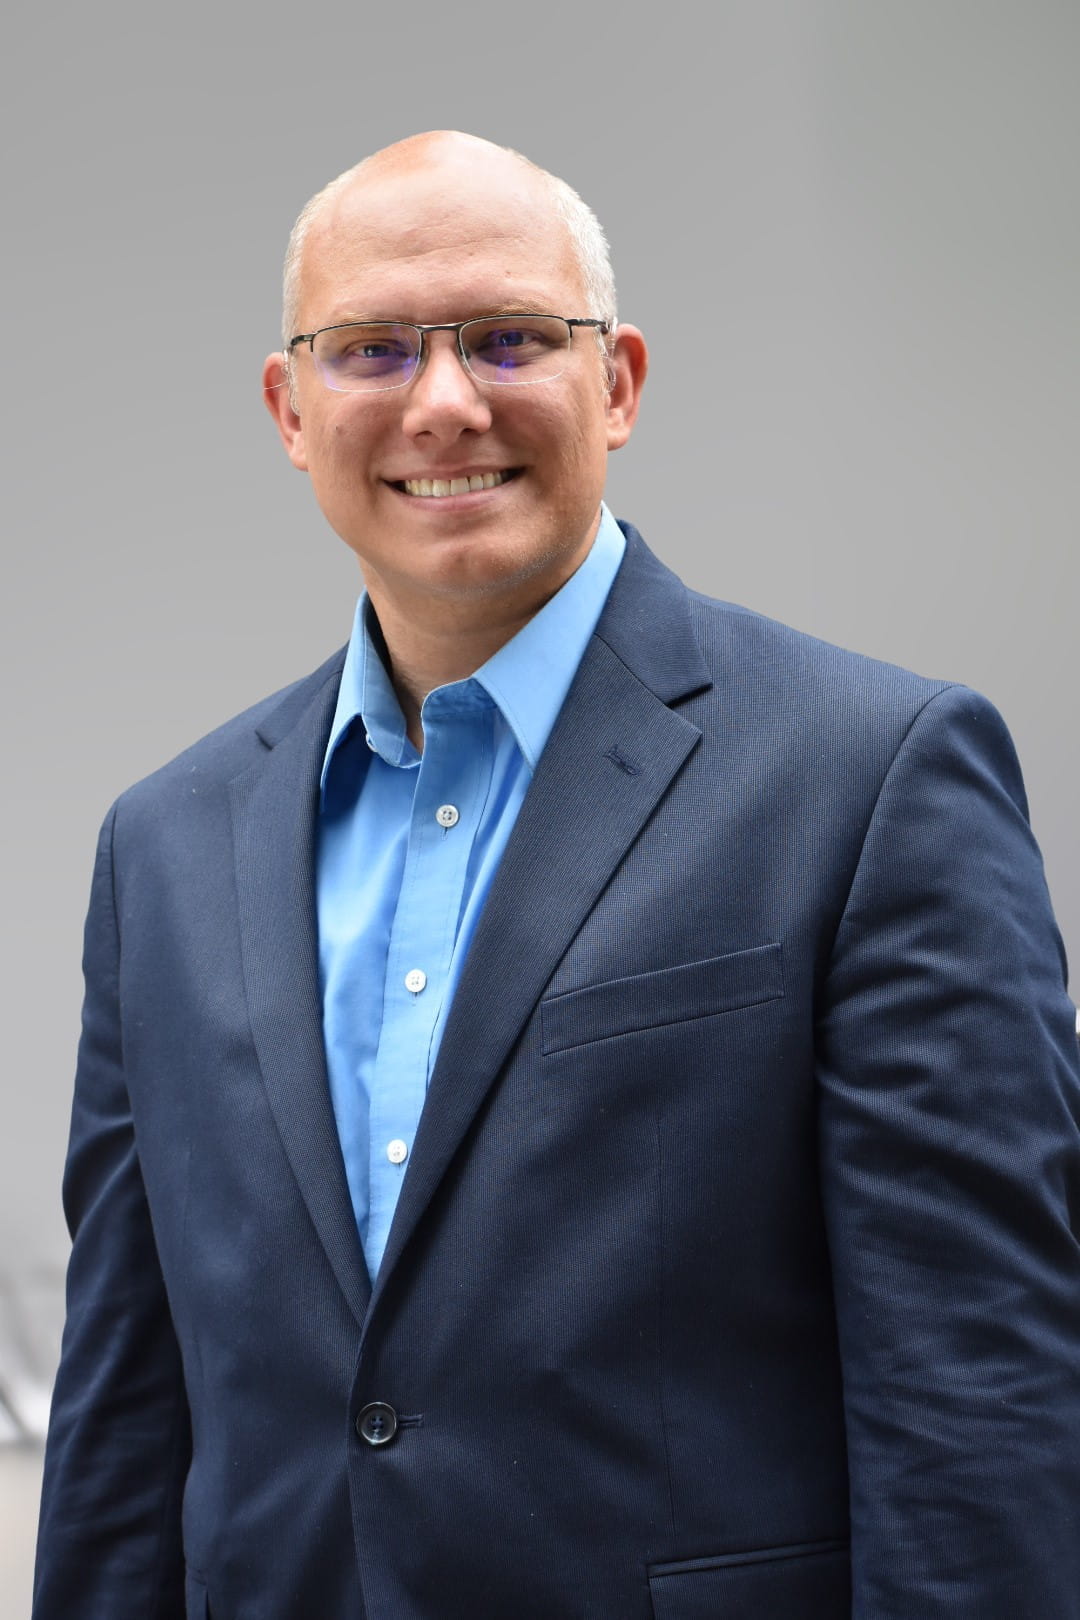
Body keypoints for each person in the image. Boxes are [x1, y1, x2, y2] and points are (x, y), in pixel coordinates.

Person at [33, 130, 1080, 1620]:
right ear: (289, 407)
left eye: (511, 338)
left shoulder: (873, 776)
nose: (445, 402)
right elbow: (126, 1420)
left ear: (621, 382)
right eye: (372, 351)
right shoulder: (165, 844)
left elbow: (978, 1405)